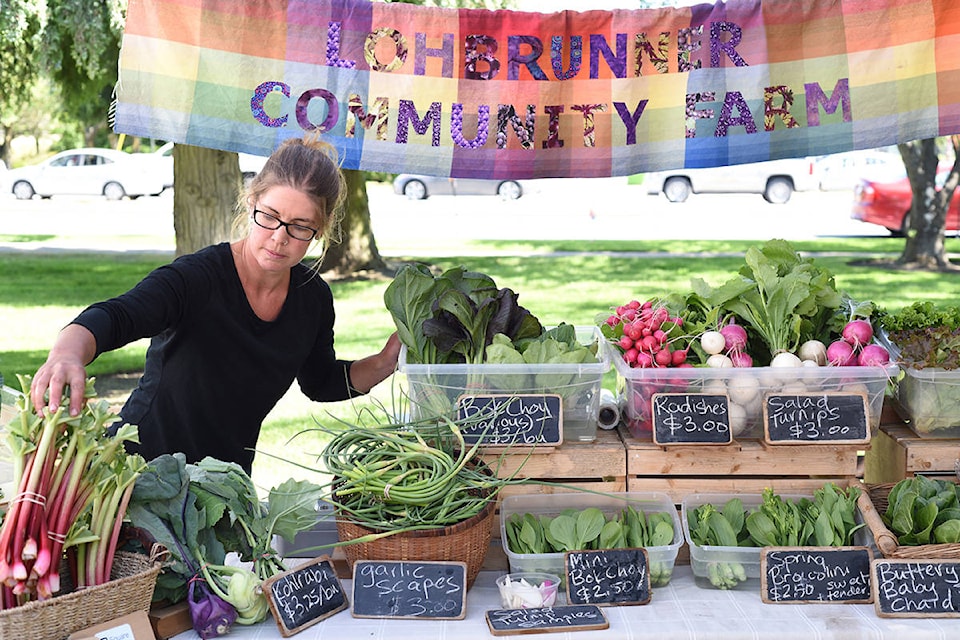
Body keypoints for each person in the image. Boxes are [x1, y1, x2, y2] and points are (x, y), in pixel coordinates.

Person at [30, 134, 401, 474]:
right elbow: (117, 316)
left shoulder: (313, 298)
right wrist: (66, 354)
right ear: (252, 201)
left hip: (223, 487)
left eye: (299, 226)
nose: (278, 237)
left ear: (320, 230)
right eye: (269, 216)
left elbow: (321, 382)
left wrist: (385, 362)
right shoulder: (199, 277)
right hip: (137, 472)